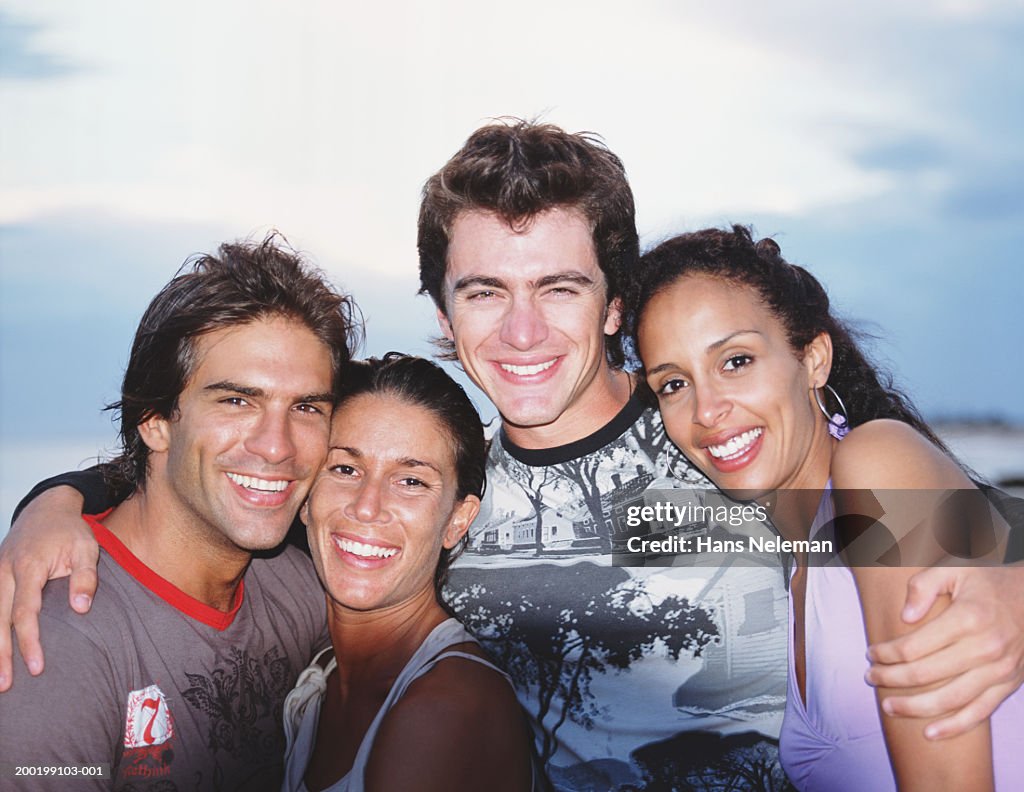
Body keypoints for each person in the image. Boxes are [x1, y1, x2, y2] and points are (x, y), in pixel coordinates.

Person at [4, 120, 1024, 790]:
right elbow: (240, 476)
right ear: (444, 315)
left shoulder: (724, 454)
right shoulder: (433, 499)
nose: (522, 330)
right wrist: (55, 503)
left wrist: (1010, 573)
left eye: (560, 288)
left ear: (614, 305)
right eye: (486, 290)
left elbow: (904, 511)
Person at [629, 225, 1024, 791]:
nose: (707, 410)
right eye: (672, 384)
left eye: (736, 361)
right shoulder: (788, 561)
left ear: (813, 359)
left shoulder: (876, 461)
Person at [0, 236, 359, 789]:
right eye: (237, 401)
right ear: (154, 420)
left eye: (307, 407)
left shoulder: (304, 588)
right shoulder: (60, 640)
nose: (277, 446)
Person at [281, 353, 533, 792]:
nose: (366, 506)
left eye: (411, 481)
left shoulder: (444, 708)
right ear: (306, 496)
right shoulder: (322, 677)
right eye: (345, 468)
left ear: (457, 520)